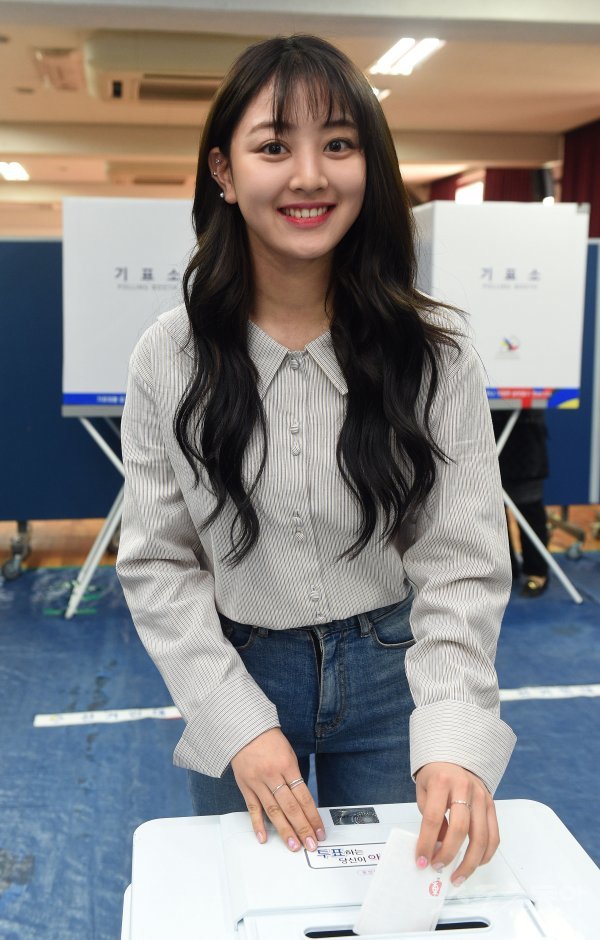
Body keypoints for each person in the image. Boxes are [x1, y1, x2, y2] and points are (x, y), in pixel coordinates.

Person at [116, 34, 515, 888]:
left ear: (370, 166)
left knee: (403, 903)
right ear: (224, 172)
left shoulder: (435, 355)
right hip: (239, 667)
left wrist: (453, 731)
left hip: (395, 672)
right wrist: (236, 720)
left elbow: (461, 559)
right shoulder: (169, 356)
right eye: (274, 147)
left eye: (338, 144)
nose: (309, 175)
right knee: (252, 903)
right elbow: (158, 562)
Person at [491, 410, 549, 597]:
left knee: (529, 507)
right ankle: (504, 568)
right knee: (492, 512)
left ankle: (536, 571)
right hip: (486, 433)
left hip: (525, 434)